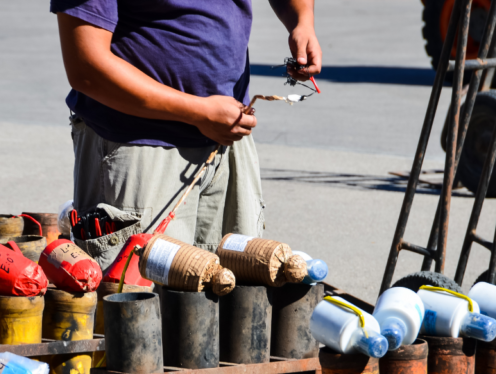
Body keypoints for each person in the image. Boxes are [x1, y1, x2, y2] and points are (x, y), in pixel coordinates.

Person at [51, 0, 321, 269]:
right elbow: (86, 67)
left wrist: (302, 22)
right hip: (140, 147)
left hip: (228, 140)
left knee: (236, 290)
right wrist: (199, 112)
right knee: (141, 298)